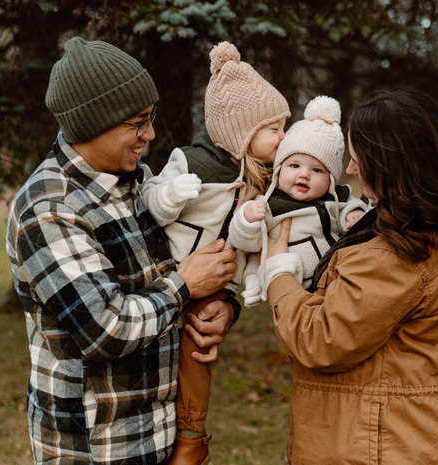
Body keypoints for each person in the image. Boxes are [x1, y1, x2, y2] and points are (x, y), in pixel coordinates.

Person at [6, 37, 239, 465]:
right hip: (96, 447)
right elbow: (107, 329)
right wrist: (185, 285)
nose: (149, 135)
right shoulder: (48, 208)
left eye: (151, 119)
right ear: (93, 124)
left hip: (162, 436)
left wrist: (222, 303)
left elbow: (187, 262)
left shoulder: (139, 183)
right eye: (138, 123)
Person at [263, 87, 438, 464]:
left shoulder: (396, 255)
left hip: (380, 443)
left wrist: (278, 270)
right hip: (425, 431)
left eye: (358, 160)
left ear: (392, 168)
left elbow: (320, 340)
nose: (349, 170)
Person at [140, 41, 290, 464]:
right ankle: (182, 433)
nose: (283, 136)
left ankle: (191, 436)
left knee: (198, 346)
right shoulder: (192, 163)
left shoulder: (262, 176)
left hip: (212, 282)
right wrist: (170, 196)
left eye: (284, 126)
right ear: (242, 133)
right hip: (170, 268)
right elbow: (151, 195)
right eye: (273, 128)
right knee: (183, 346)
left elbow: (246, 238)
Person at [229, 96, 367, 304]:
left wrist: (354, 212)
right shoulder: (267, 204)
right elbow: (248, 244)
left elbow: (353, 204)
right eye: (295, 166)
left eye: (317, 170)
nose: (304, 175)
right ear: (279, 169)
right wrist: (247, 219)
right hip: (291, 287)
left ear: (330, 179)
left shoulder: (336, 199)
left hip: (332, 284)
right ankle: (254, 283)